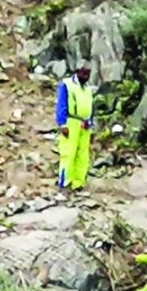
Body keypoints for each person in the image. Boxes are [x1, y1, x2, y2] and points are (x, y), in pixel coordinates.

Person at [55, 60, 94, 192]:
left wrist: (90, 121)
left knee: (83, 154)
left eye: (88, 74)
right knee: (68, 152)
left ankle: (78, 182)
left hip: (85, 124)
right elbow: (61, 105)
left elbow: (90, 106)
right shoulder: (67, 85)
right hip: (71, 122)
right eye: (84, 74)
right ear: (77, 72)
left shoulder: (88, 88)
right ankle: (65, 182)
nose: (86, 77)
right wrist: (62, 124)